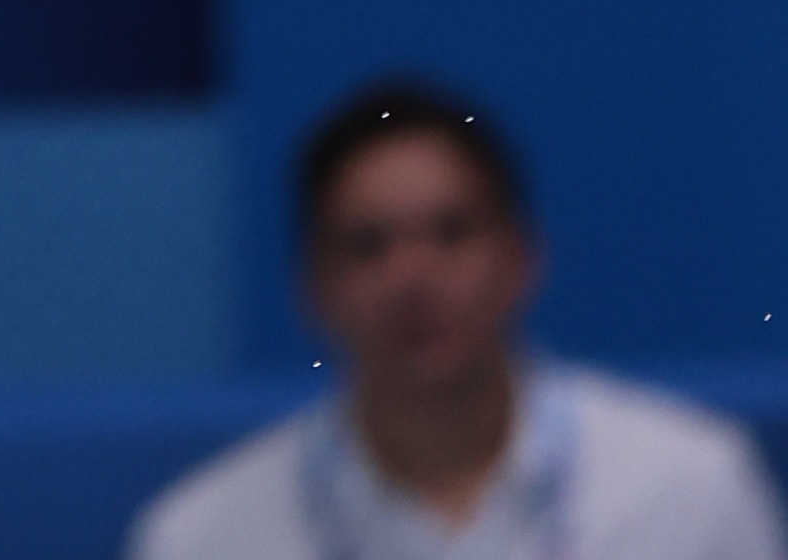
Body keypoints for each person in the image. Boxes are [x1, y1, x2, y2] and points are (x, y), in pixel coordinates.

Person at [127, 95, 787, 560]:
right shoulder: (203, 537)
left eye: (451, 233)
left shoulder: (687, 488)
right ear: (313, 288)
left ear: (522, 259)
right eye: (368, 245)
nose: (413, 278)